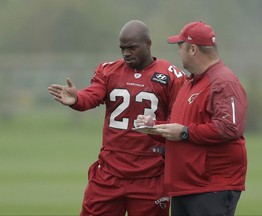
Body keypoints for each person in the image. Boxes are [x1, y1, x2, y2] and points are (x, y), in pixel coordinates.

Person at [48, 20, 186, 216]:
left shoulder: (171, 76)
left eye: (132, 47)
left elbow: (177, 120)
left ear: (148, 44)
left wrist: (156, 129)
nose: (126, 53)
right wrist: (77, 98)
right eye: (122, 48)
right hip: (109, 173)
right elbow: (93, 95)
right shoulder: (109, 71)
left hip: (150, 173)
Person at [135, 21, 248, 216]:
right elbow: (182, 127)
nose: (179, 52)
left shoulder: (223, 81)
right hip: (185, 186)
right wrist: (155, 127)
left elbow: (229, 128)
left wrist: (185, 133)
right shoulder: (190, 82)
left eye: (180, 46)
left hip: (211, 186)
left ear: (193, 49)